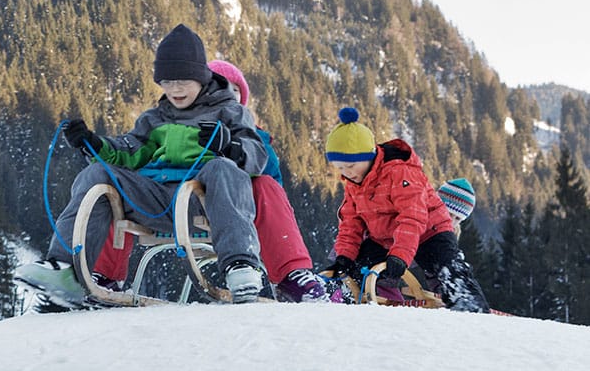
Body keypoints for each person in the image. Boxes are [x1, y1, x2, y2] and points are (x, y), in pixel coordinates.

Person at [15, 23, 267, 305]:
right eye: (167, 81)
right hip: (154, 201)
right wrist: (95, 144)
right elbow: (129, 152)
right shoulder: (154, 118)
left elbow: (256, 154)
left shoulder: (230, 111)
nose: (175, 88)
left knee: (222, 168)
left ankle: (240, 264)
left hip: (206, 202)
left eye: (182, 79)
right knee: (98, 173)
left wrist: (229, 145)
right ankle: (66, 268)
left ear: (201, 76)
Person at [91, 59, 335, 303]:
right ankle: (103, 276)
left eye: (234, 89)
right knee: (116, 187)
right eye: (221, 87)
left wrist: (234, 149)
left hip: (236, 218)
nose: (227, 93)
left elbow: (267, 171)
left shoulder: (254, 136)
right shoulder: (171, 128)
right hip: (172, 207)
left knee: (266, 185)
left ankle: (292, 276)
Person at [321, 107, 490, 312]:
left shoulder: (400, 172)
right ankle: (355, 296)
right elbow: (351, 223)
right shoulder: (354, 185)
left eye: (351, 165)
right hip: (387, 237)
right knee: (358, 263)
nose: (347, 173)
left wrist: (400, 255)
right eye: (340, 168)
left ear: (370, 155)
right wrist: (344, 256)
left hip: (430, 229)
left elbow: (413, 216)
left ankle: (468, 302)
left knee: (446, 264)